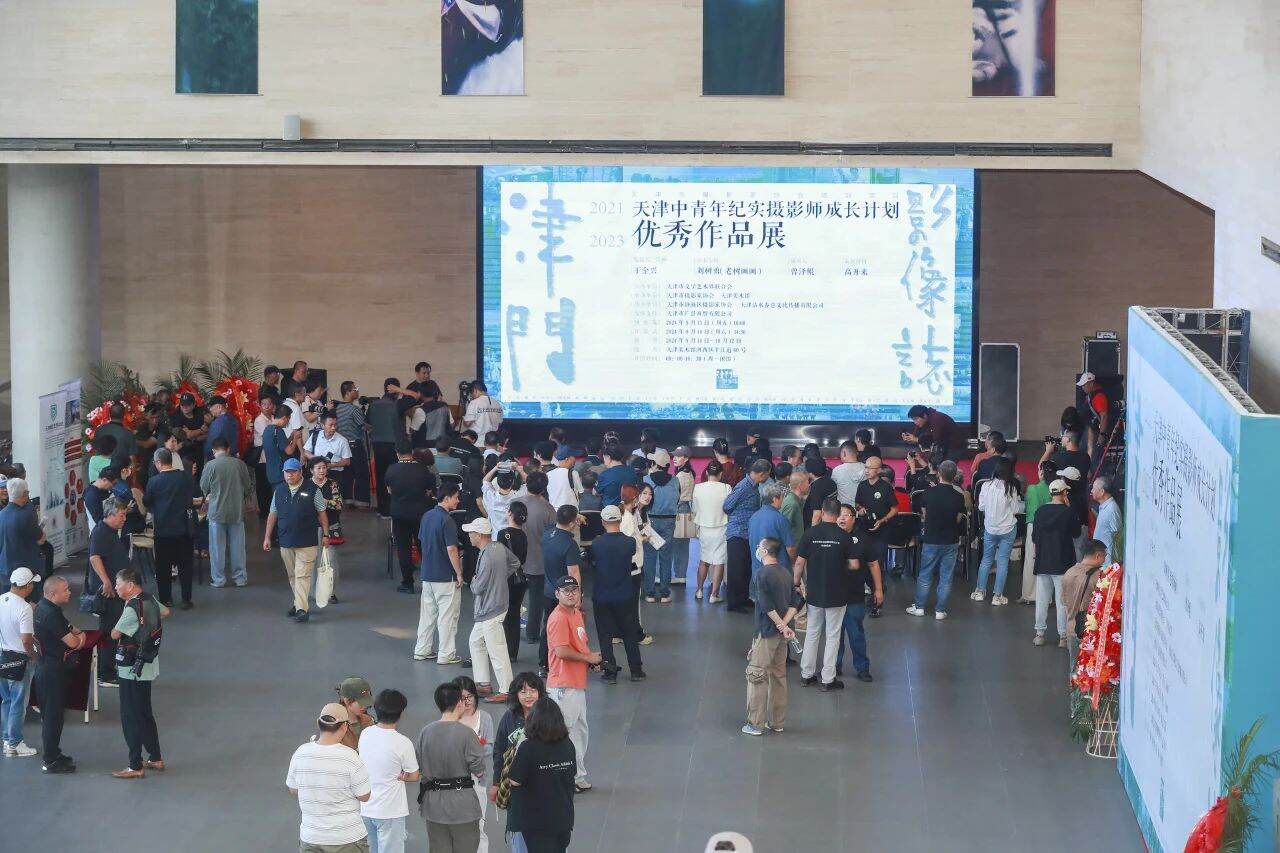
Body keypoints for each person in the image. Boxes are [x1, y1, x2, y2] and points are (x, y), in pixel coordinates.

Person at [287, 702, 372, 852]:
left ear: (318, 724)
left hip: (311, 838)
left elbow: (293, 789)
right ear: (344, 726)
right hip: (347, 838)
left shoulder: (301, 753)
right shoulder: (350, 757)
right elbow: (364, 796)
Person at [109, 567, 170, 779]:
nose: (116, 587)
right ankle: (155, 757)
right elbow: (166, 612)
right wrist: (146, 627)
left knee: (130, 716)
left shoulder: (131, 608)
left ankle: (135, 764)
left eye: (118, 584)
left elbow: (114, 634)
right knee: (144, 712)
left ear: (130, 585)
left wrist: (135, 627)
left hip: (131, 669)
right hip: (148, 665)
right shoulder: (149, 599)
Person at [414, 682, 487, 852]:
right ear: (459, 703)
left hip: (433, 806)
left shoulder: (426, 732)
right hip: (463, 806)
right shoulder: (467, 733)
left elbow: (418, 766)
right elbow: (479, 771)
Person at [793, 498, 857, 691]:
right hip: (837, 593)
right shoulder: (844, 537)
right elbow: (854, 564)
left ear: (822, 511)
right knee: (833, 635)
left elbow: (799, 563)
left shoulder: (810, 534)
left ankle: (806, 675)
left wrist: (796, 583)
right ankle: (828, 679)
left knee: (812, 632)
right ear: (837, 515)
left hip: (815, 592)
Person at [545, 576, 599, 792]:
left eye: (574, 590)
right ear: (557, 594)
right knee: (563, 733)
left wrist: (590, 661)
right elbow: (561, 651)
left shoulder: (576, 614)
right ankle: (560, 777)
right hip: (563, 685)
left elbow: (578, 645)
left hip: (576, 683)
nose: (571, 594)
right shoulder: (558, 618)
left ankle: (576, 775)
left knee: (579, 732)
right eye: (566, 591)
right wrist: (588, 658)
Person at [742, 537, 799, 736]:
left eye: (760, 547)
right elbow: (795, 602)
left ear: (765, 552)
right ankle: (777, 722)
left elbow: (766, 606)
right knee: (778, 676)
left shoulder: (761, 574)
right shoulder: (785, 572)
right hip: (783, 635)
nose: (757, 549)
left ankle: (755, 723)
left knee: (757, 674)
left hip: (766, 632)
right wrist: (785, 626)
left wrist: (779, 624)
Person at [506, 697, 578, 853]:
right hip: (563, 816)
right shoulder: (568, 744)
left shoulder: (528, 748)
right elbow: (572, 773)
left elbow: (515, 780)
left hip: (536, 820)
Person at [263, 458, 330, 623]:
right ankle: (298, 602)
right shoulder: (279, 491)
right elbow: (273, 514)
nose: (289, 475)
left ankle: (301, 609)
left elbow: (322, 513)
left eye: (293, 472)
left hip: (307, 541)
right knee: (293, 575)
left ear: (300, 472)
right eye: (287, 472)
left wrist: (326, 535)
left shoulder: (313, 490)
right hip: (286, 540)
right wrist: (267, 537)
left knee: (302, 575)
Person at [464, 518, 520, 702]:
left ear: (479, 535)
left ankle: (506, 690)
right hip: (495, 606)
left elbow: (477, 587)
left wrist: (473, 580)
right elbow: (515, 563)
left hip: (490, 608)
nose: (469, 536)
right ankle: (483, 683)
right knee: (476, 641)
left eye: (471, 533)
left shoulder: (486, 556)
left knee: (497, 649)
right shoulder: (498, 547)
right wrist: (500, 578)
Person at [32, 575, 85, 773]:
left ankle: (54, 752)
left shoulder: (44, 607)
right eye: (65, 590)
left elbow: (68, 626)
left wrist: (74, 631)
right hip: (52, 671)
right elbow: (73, 642)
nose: (69, 592)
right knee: (53, 716)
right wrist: (82, 638)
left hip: (46, 667)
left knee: (53, 714)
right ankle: (51, 760)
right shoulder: (50, 615)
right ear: (53, 594)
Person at [359, 689, 420, 853]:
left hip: (366, 808)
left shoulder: (365, 733)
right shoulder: (403, 743)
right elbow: (414, 775)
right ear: (400, 713)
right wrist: (402, 776)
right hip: (390, 810)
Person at [590, 505, 645, 683]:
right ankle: (636, 670)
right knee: (629, 632)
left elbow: (592, 561)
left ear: (603, 522)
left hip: (602, 595)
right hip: (625, 594)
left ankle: (610, 672)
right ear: (620, 520)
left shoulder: (597, 544)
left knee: (605, 634)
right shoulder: (629, 543)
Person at [144, 448, 203, 609]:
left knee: (163, 568)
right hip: (184, 529)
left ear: (158, 462)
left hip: (163, 531)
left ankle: (165, 599)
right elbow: (196, 496)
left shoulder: (154, 482)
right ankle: (186, 599)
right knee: (185, 566)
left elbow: (147, 501)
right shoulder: (186, 477)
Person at [908, 460, 967, 620]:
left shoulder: (928, 493)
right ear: (954, 476)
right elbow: (958, 518)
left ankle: (919, 607)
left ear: (938, 474)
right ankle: (940, 611)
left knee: (925, 574)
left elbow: (924, 515)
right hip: (951, 540)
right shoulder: (959, 496)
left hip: (931, 539)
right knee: (946, 577)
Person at [413, 483, 465, 663]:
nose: (458, 501)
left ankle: (422, 650)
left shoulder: (427, 516)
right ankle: (446, 654)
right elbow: (452, 549)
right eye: (456, 497)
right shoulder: (447, 521)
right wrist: (459, 573)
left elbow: (422, 540)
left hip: (427, 575)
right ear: (447, 498)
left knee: (427, 616)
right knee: (447, 618)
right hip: (445, 577)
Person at [833, 505, 882, 680]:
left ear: (854, 519)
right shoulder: (830, 536)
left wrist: (878, 589)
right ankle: (834, 666)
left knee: (856, 634)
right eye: (839, 515)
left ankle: (862, 668)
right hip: (833, 595)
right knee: (834, 635)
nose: (842, 518)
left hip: (854, 595)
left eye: (846, 515)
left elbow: (873, 564)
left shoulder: (863, 539)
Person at [1030, 479, 1082, 647]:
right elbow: (1076, 533)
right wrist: (1070, 509)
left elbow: (1034, 537)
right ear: (1064, 493)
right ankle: (1063, 637)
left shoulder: (1040, 512)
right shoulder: (1068, 512)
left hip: (1043, 561)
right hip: (1062, 563)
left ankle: (1039, 634)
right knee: (1062, 602)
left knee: (1042, 599)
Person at [88, 497, 131, 686]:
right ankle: (105, 674)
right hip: (110, 593)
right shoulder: (100, 533)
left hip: (116, 590)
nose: (124, 519)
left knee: (113, 629)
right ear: (110, 515)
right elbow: (94, 558)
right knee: (109, 631)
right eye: (122, 515)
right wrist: (106, 582)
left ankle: (108, 669)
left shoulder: (110, 532)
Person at [971, 457, 1025, 605]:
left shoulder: (985, 485)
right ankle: (997, 596)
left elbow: (981, 507)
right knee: (1002, 562)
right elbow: (1015, 510)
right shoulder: (1011, 488)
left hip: (990, 529)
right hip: (1008, 529)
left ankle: (980, 591)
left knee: (986, 559)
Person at [200, 437, 253, 588]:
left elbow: (204, 487)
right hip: (237, 512)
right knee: (238, 548)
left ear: (213, 450)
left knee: (217, 549)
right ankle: (240, 578)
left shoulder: (210, 466)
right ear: (228, 449)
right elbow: (248, 486)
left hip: (216, 512)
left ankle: (218, 579)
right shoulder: (240, 464)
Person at [453, 676, 498, 853]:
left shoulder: (484, 717)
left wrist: (468, 751)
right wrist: (474, 749)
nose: (467, 701)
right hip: (455, 781)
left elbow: (489, 747)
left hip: (478, 781)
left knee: (478, 825)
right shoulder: (451, 719)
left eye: (470, 696)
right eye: (462, 698)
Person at [385, 444, 436, 593]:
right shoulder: (423, 469)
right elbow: (429, 491)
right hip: (420, 514)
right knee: (423, 547)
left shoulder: (391, 469)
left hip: (399, 513)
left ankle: (407, 583)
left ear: (397, 453)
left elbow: (389, 490)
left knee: (403, 549)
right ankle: (429, 581)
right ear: (412, 453)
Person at [538, 505, 583, 672]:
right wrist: (577, 596)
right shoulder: (570, 545)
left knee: (548, 627)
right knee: (566, 629)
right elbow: (573, 572)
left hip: (549, 590)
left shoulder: (546, 535)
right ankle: (565, 662)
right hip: (564, 594)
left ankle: (544, 663)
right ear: (571, 523)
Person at [1, 566, 39, 757]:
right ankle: (15, 744)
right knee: (18, 703)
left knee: (6, 700)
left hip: (2, 656)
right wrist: (31, 655)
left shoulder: (1, 600)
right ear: (27, 585)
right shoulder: (24, 608)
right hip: (20, 659)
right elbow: (26, 639)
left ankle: (7, 739)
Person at [723, 459, 769, 613]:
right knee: (736, 569)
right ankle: (733, 602)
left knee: (745, 568)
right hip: (737, 533)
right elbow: (727, 506)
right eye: (767, 475)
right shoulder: (743, 486)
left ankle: (743, 598)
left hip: (747, 533)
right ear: (761, 474)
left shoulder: (753, 486)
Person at [368, 379, 416, 517]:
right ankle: (392, 509)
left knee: (381, 477)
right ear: (394, 389)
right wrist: (399, 390)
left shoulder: (373, 404)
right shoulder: (398, 404)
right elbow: (416, 396)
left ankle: (381, 510)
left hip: (377, 445)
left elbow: (368, 425)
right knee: (395, 477)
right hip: (394, 446)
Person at [641, 449, 680, 603]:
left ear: (654, 464)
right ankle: (665, 593)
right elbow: (677, 499)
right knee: (666, 557)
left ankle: (650, 593)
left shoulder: (646, 479)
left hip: (649, 521)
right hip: (669, 521)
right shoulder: (675, 480)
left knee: (649, 558)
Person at [1063, 539, 1109, 667]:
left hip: (1072, 629)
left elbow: (1065, 603)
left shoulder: (1069, 573)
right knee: (1089, 669)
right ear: (1098, 555)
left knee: (1074, 668)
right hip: (1090, 631)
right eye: (1104, 556)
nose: (1105, 560)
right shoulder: (1099, 577)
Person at [748, 482, 795, 600]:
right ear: (775, 499)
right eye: (782, 497)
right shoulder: (780, 519)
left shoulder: (753, 518)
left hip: (757, 570)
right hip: (778, 572)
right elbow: (790, 548)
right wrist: (794, 563)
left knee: (761, 604)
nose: (783, 500)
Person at [691, 461, 730, 602]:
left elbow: (695, 509)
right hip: (721, 527)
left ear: (707, 473)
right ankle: (714, 595)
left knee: (704, 560)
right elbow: (729, 507)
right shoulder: (726, 487)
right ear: (721, 474)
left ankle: (699, 590)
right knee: (719, 562)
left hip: (704, 527)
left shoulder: (698, 487)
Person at [1018, 460, 1056, 605]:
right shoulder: (1055, 490)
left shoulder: (1033, 489)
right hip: (1051, 529)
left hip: (1034, 527)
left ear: (1041, 473)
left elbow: (1030, 511)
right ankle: (1046, 596)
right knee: (1047, 562)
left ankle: (1028, 595)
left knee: (1031, 560)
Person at [497, 502, 530, 662]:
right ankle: (513, 652)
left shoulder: (502, 534)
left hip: (506, 578)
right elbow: (522, 559)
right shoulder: (523, 535)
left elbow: (499, 558)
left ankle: (501, 650)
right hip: (519, 578)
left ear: (510, 514)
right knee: (515, 614)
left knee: (500, 615)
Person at [0, 479, 44, 591]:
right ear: (25, 493)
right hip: (26, 571)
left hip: (5, 569)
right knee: (30, 600)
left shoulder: (1, 514)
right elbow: (41, 539)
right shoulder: (27, 515)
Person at [333, 382, 372, 508]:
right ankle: (361, 502)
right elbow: (363, 426)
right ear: (348, 392)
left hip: (341, 446)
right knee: (361, 474)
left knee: (346, 474)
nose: (357, 390)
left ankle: (347, 500)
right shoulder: (354, 410)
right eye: (355, 389)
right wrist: (371, 426)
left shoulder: (337, 409)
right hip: (355, 445)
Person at [669, 447, 696, 586]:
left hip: (679, 509)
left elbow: (675, 496)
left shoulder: (680, 475)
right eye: (674, 455)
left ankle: (679, 575)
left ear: (686, 458)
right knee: (683, 545)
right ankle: (681, 575)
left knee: (676, 544)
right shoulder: (689, 473)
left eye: (678, 456)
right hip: (686, 509)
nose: (674, 458)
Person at [480, 462, 528, 541]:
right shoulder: (519, 496)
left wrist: (496, 467)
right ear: (513, 482)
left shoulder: (491, 497)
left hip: (496, 539)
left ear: (497, 482)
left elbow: (485, 481)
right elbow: (530, 483)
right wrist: (519, 469)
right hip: (514, 539)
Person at [305, 412, 354, 480]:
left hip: (335, 474)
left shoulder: (342, 440)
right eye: (330, 425)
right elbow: (306, 452)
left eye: (335, 425)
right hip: (317, 472)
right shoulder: (315, 435)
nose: (333, 428)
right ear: (322, 425)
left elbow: (347, 461)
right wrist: (318, 461)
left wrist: (332, 465)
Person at [1077, 372, 1111, 461]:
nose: (1082, 387)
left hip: (1096, 432)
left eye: (1084, 385)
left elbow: (1104, 416)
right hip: (1090, 429)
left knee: (1092, 455)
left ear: (1091, 384)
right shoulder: (1090, 395)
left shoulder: (1099, 397)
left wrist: (1102, 435)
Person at [172, 392, 209, 474]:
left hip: (199, 452)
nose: (185, 407)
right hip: (184, 455)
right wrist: (201, 430)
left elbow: (208, 434)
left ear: (193, 404)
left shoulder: (199, 414)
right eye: (182, 405)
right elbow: (187, 435)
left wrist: (194, 436)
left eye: (188, 405)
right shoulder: (177, 418)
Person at [1091, 475, 1122, 565]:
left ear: (1102, 492)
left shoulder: (1112, 509)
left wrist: (1115, 563)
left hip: (1108, 563)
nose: (1091, 491)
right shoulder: (1104, 507)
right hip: (1101, 560)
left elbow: (1117, 536)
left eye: (1094, 488)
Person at [831, 440, 867, 506]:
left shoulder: (837, 470)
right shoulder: (867, 468)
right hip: (862, 509)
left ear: (844, 453)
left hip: (844, 510)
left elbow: (833, 491)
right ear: (857, 453)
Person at [545, 445, 582, 510]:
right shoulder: (573, 473)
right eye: (573, 457)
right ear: (567, 459)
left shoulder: (548, 474)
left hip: (554, 511)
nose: (575, 460)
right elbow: (581, 492)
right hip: (571, 512)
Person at [802, 457, 835, 527]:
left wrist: (813, 531)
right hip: (830, 522)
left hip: (818, 525)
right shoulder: (831, 482)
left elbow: (817, 515)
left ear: (811, 472)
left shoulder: (817, 486)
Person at [204, 396, 240, 461]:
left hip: (218, 459)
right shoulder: (233, 419)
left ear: (219, 407)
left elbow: (210, 444)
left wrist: (207, 455)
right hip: (233, 458)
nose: (210, 410)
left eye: (211, 407)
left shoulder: (218, 422)